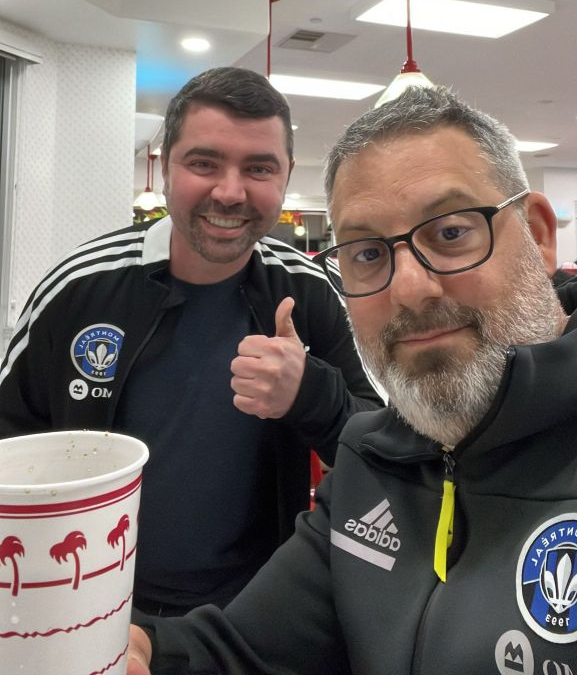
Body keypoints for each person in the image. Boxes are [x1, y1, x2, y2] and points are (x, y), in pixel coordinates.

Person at [127, 84, 577, 674]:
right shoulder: (373, 462)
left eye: (450, 233)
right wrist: (146, 652)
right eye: (367, 253)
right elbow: (246, 653)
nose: (409, 289)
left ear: (538, 235)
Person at [0, 66, 382, 618]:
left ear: (286, 176)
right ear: (165, 167)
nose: (230, 192)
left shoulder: (308, 291)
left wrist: (308, 392)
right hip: (92, 604)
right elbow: (9, 443)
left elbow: (379, 447)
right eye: (204, 163)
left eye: (259, 168)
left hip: (254, 614)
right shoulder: (82, 288)